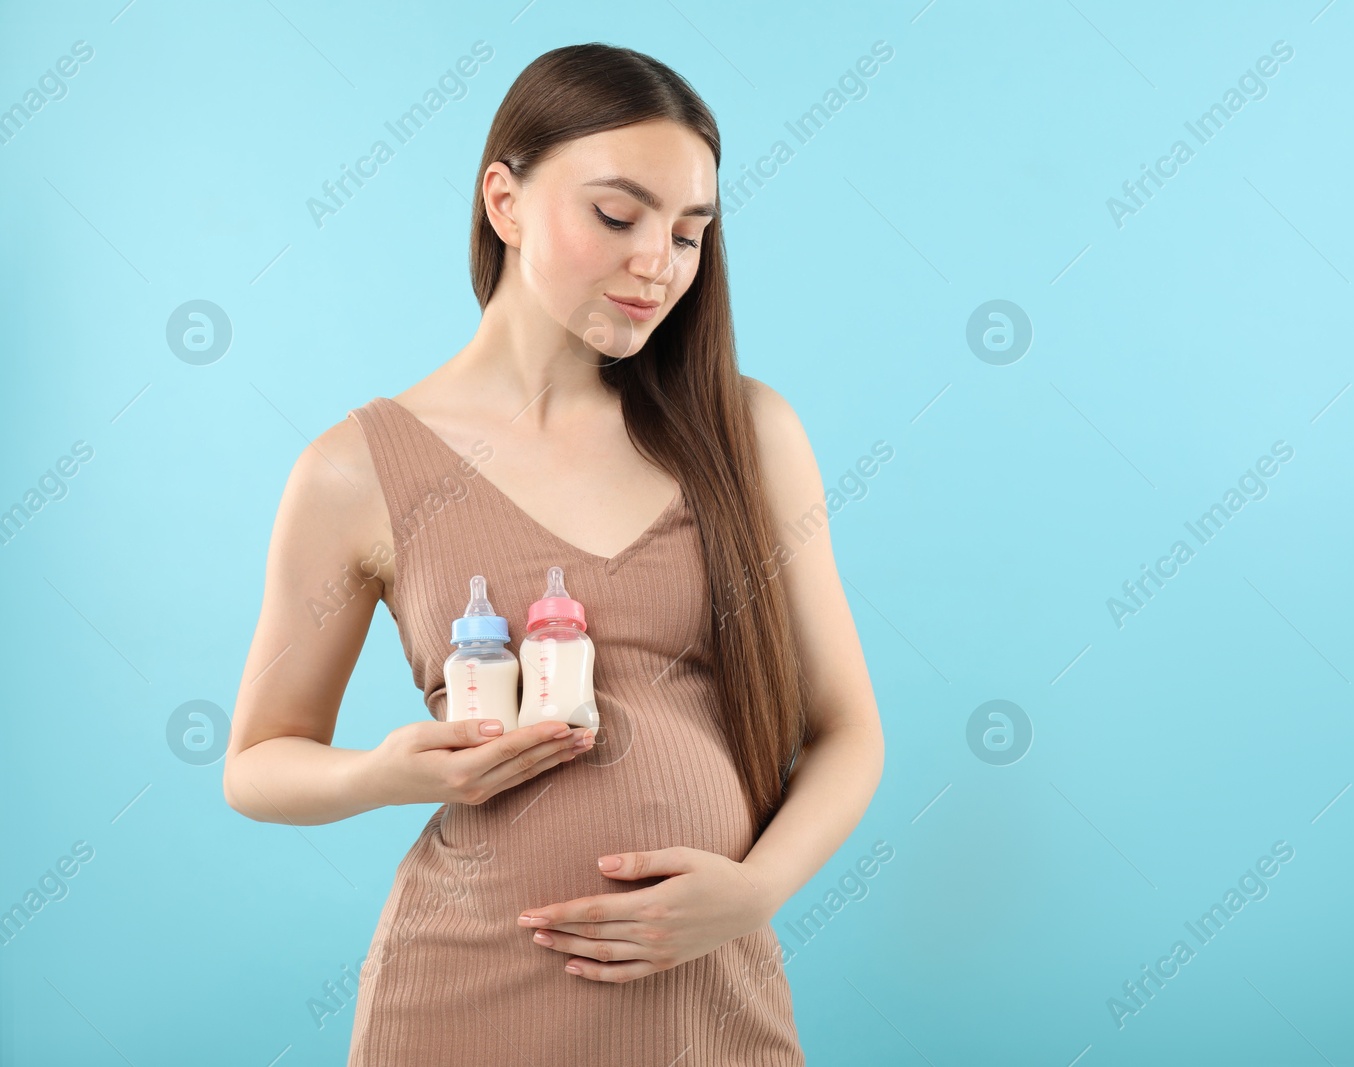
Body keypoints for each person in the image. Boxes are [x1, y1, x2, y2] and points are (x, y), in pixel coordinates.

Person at [223, 42, 883, 1066]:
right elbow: (257, 762)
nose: (657, 261)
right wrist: (385, 773)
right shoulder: (353, 471)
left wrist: (752, 893)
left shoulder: (747, 433)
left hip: (702, 991)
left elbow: (849, 731)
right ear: (506, 199)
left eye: (688, 232)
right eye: (617, 216)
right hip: (461, 987)